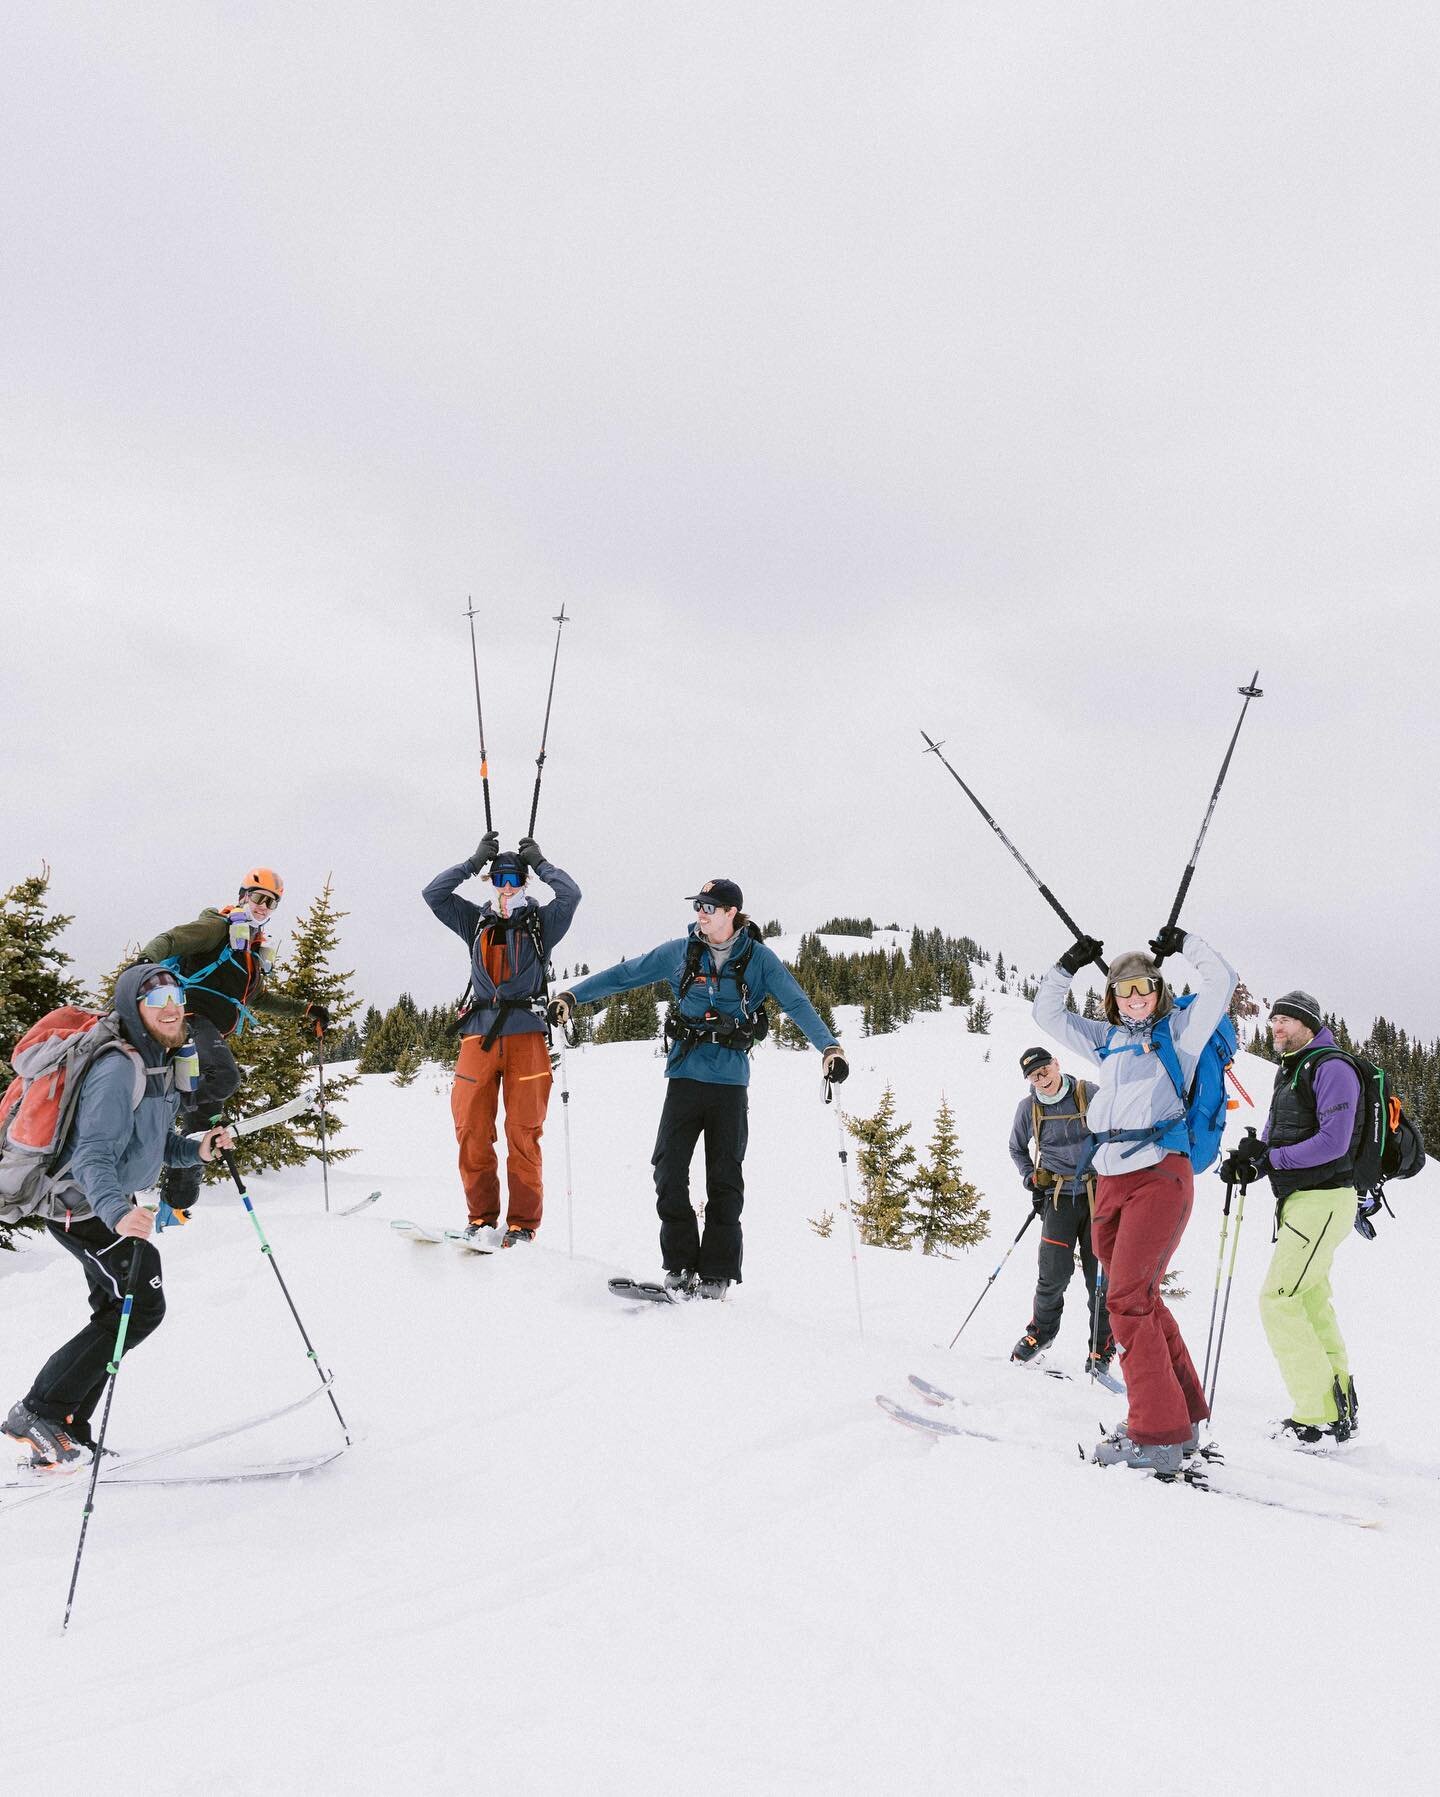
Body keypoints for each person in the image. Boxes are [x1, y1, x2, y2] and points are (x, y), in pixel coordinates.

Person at [548, 878, 847, 1298]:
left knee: (724, 1179)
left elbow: (796, 1003)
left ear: (731, 913)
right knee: (668, 1170)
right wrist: (572, 997)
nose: (701, 913)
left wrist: (829, 1048)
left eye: (709, 907)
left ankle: (717, 1275)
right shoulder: (681, 952)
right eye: (698, 906)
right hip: (685, 1076)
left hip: (729, 1083)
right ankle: (680, 1265)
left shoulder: (759, 959)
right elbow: (625, 975)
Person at [2, 965, 234, 1468]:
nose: (171, 1008)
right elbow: (92, 1155)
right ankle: (38, 1411)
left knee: (119, 1307)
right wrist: (116, 1212)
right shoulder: (117, 1068)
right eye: (157, 1000)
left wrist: (198, 1150)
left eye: (176, 996)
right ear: (135, 1008)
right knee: (141, 1297)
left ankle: (64, 1430)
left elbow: (149, 1146)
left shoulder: (158, 1064)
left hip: (98, 1203)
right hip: (79, 1204)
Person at [1033, 924, 1237, 1474]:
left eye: (1144, 987)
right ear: (1112, 998)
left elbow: (1224, 981)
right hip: (1109, 1180)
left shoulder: (1182, 1033)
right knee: (1138, 1297)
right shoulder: (1107, 1040)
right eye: (1124, 991)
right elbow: (1046, 1017)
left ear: (1159, 990)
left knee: (1124, 1300)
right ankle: (1185, 1415)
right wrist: (1067, 964)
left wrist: (1187, 944)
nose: (1135, 998)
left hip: (1159, 1176)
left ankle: (1156, 1435)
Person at [135, 867, 328, 1211]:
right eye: (258, 898)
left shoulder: (251, 951)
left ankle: (175, 1205)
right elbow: (172, 939)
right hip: (188, 1018)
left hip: (208, 1029)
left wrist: (308, 1009)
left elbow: (259, 999)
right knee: (224, 1077)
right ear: (243, 897)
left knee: (205, 1119)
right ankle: (159, 1105)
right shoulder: (218, 927)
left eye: (271, 903)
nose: (263, 906)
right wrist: (145, 963)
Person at [422, 831, 580, 1247]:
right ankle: (481, 1219)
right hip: (479, 1036)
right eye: (499, 879)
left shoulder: (542, 922)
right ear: (490, 883)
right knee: (471, 1128)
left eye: (514, 880)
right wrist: (473, 862)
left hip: (526, 1035)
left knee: (523, 1133)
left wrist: (542, 863)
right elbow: (433, 894)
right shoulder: (474, 919)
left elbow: (571, 896)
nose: (506, 888)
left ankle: (522, 1224)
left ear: (524, 884)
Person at [1219, 989, 1361, 1447]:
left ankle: (1315, 1418)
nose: (1275, 1027)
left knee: (1277, 1300)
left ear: (1309, 1024)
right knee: (1309, 1302)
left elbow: (1333, 1143)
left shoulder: (1331, 1066)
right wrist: (1252, 1162)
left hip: (1323, 1200)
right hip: (1303, 1203)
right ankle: (1338, 1408)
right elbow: (1272, 1140)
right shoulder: (1293, 1070)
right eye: (1274, 1019)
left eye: (1286, 1020)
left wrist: (1272, 1160)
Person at [1007, 1045, 1111, 1375]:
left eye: (1045, 1070)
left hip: (1098, 1195)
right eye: (1035, 1076)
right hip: (1058, 1197)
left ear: (1057, 1064)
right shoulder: (1029, 1109)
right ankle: (1040, 1334)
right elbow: (1016, 1147)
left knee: (1100, 1277)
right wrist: (1029, 1177)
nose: (1042, 1079)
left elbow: (1116, 1132)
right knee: (1052, 1274)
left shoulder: (1088, 1093)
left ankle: (1101, 1348)